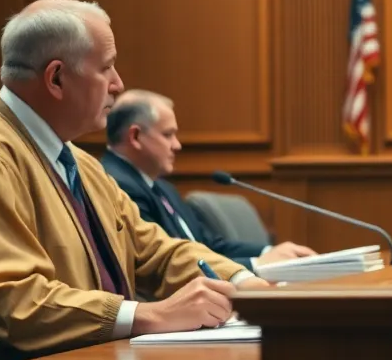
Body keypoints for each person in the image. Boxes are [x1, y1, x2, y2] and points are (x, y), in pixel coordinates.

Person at [0, 0, 258, 360]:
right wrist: (150, 315)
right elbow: (16, 303)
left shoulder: (77, 162)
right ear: (56, 78)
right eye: (106, 67)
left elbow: (154, 251)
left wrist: (246, 286)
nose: (118, 84)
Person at [103, 89, 314, 271]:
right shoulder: (118, 186)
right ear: (136, 137)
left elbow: (207, 245)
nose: (177, 145)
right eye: (168, 135)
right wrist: (257, 263)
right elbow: (164, 264)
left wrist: (271, 251)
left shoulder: (163, 187)